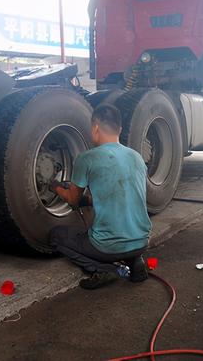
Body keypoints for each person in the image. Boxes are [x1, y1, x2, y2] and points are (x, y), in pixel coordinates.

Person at [49, 104, 151, 290]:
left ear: (95, 128)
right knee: (126, 240)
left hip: (107, 247)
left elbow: (71, 200)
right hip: (142, 242)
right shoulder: (137, 157)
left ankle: (103, 269)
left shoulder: (87, 158)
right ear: (119, 129)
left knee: (57, 236)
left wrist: (55, 187)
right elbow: (126, 195)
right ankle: (136, 263)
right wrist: (87, 200)